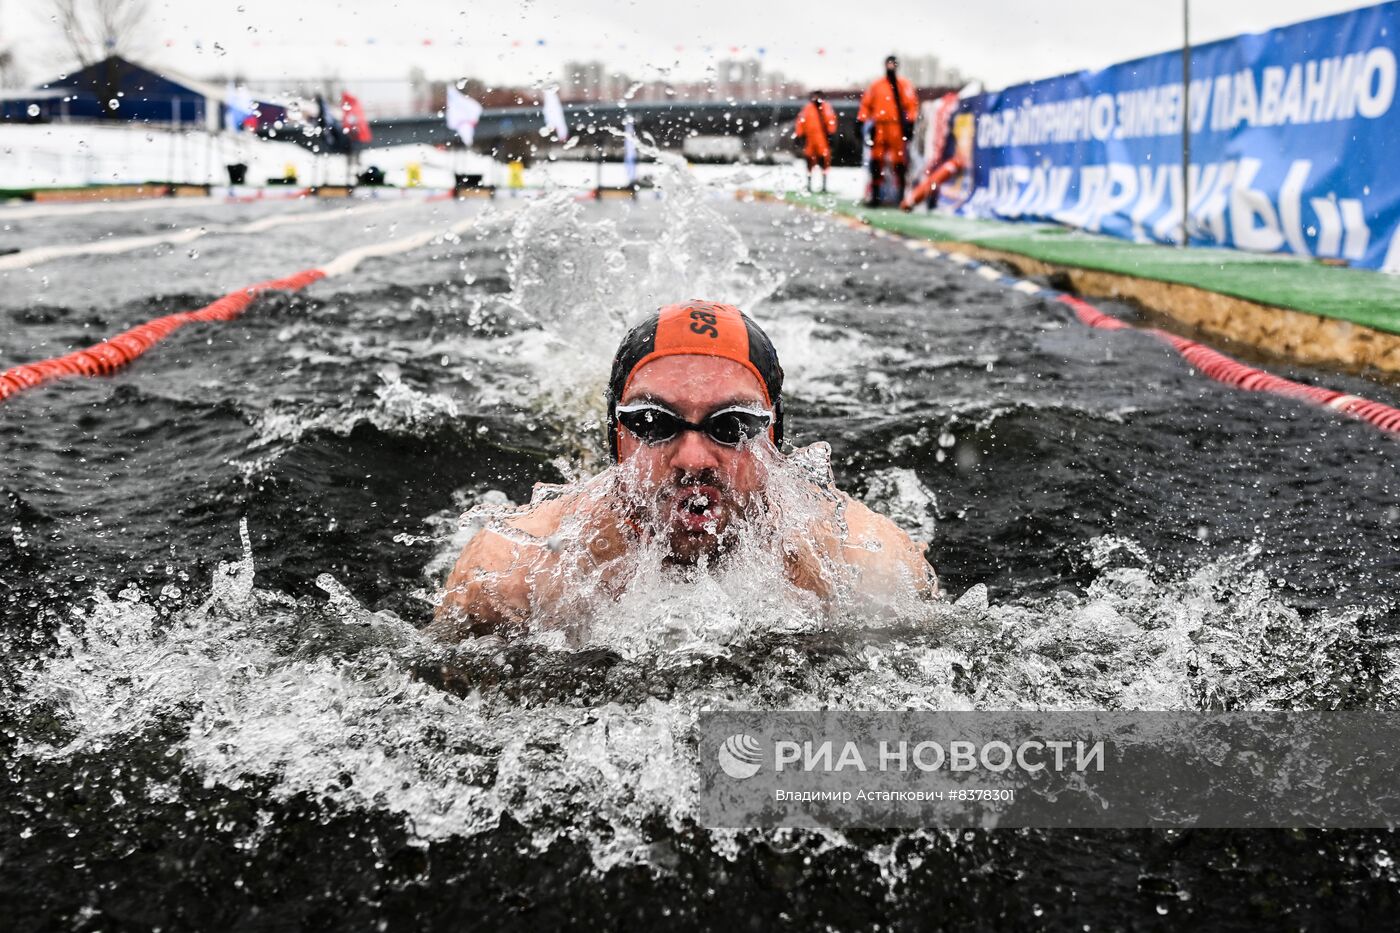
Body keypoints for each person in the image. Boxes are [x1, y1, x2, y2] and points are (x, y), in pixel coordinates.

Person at [429, 300, 938, 642]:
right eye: (653, 423)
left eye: (733, 425)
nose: (693, 459)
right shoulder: (511, 574)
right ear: (617, 435)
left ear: (775, 439)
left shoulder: (866, 565)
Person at [857, 55, 920, 208]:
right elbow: (866, 105)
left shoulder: (903, 85)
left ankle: (900, 196)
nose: (891, 66)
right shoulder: (877, 86)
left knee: (899, 162)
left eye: (893, 64)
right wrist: (861, 120)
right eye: (888, 64)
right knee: (876, 161)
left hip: (896, 127)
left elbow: (912, 105)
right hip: (879, 127)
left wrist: (910, 123)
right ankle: (876, 195)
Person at [793, 90, 838, 193]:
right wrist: (799, 135)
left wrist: (831, 135)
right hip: (811, 140)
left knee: (824, 162)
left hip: (822, 140)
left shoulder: (826, 108)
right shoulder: (807, 108)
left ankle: (824, 185)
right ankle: (809, 185)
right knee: (809, 162)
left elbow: (831, 121)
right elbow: (801, 122)